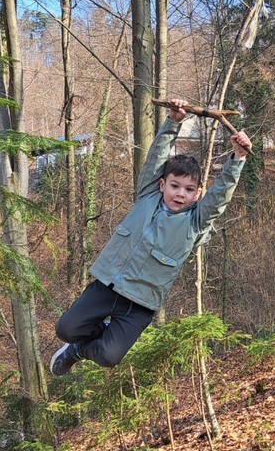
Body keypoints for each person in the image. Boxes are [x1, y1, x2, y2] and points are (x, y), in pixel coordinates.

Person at [49, 98, 251, 376]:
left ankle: (77, 352)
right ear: (162, 184)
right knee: (66, 329)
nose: (180, 194)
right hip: (108, 284)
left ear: (197, 195)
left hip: (141, 303)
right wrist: (174, 122)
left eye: (188, 190)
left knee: (108, 356)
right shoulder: (147, 196)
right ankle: (74, 342)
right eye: (175, 186)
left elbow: (220, 196)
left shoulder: (195, 221)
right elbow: (156, 157)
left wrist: (237, 159)